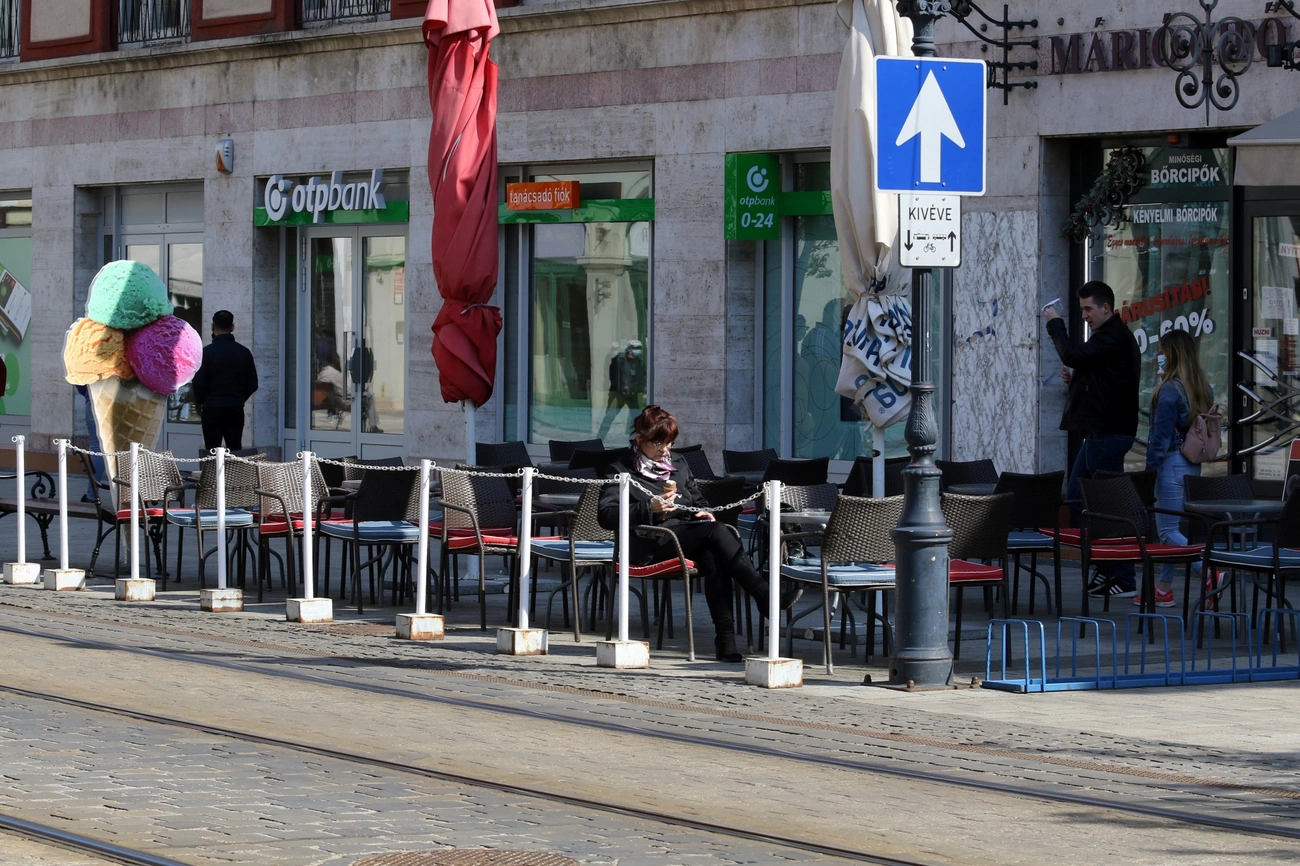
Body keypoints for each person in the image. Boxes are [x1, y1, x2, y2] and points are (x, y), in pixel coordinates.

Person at [597, 406, 796, 662]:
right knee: (717, 533)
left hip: (686, 535)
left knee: (714, 554)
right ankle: (765, 596)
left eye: (670, 443)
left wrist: (703, 512)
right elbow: (606, 516)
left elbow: (697, 499)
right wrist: (649, 508)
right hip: (650, 543)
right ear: (639, 439)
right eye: (658, 443)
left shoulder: (678, 463)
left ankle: (726, 641)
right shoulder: (620, 469)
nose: (665, 450)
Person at [1045, 280, 1141, 598]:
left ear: (1106, 308)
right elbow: (1105, 378)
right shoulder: (1110, 338)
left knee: (1104, 504)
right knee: (1077, 499)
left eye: (1088, 309)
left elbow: (1072, 354)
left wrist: (1055, 324)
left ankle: (1122, 575)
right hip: (1100, 432)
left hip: (1108, 433)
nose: (1084, 315)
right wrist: (1077, 377)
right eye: (1081, 309)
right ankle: (1108, 567)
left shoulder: (1113, 336)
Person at [1140, 328, 1213, 609]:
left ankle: (1208, 572)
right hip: (1191, 464)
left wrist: (1149, 472)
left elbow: (1160, 437)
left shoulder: (1170, 389)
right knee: (1173, 527)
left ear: (1171, 354)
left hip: (1170, 463)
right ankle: (1163, 588)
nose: (1158, 357)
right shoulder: (1202, 386)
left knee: (1168, 531)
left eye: (1161, 352)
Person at [191, 310, 258, 453]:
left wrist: (203, 401)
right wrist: (239, 398)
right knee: (235, 451)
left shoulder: (206, 353)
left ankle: (213, 469)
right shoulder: (244, 352)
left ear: (212, 327)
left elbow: (198, 383)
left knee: (212, 452)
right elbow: (253, 384)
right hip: (234, 408)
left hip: (211, 409)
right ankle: (233, 470)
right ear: (232, 327)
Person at [596, 341, 646, 440]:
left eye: (639, 349)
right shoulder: (618, 360)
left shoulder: (640, 363)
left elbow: (642, 378)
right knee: (609, 417)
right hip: (618, 394)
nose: (638, 351)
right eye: (636, 348)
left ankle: (634, 442)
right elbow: (614, 377)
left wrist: (638, 389)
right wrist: (621, 390)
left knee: (637, 420)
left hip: (633, 395)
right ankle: (599, 440)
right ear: (629, 349)